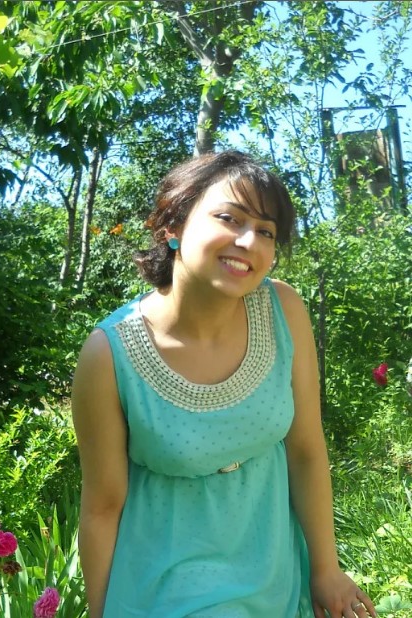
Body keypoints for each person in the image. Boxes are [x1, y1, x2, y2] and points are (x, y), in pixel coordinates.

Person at [71, 151, 376, 618]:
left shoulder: (283, 311)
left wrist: (326, 570)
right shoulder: (110, 354)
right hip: (167, 589)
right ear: (173, 225)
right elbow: (102, 507)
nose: (248, 241)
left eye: (266, 231)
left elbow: (306, 450)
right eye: (229, 218)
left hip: (277, 577)